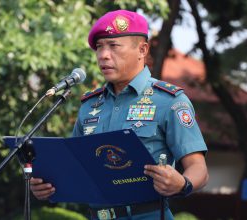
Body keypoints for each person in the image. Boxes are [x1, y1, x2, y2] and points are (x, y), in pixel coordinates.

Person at [30, 9, 209, 219]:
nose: (103, 55)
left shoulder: (169, 101)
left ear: (142, 50)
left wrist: (183, 184)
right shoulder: (89, 105)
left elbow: (199, 169)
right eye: (99, 47)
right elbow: (75, 168)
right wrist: (48, 186)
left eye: (113, 46)